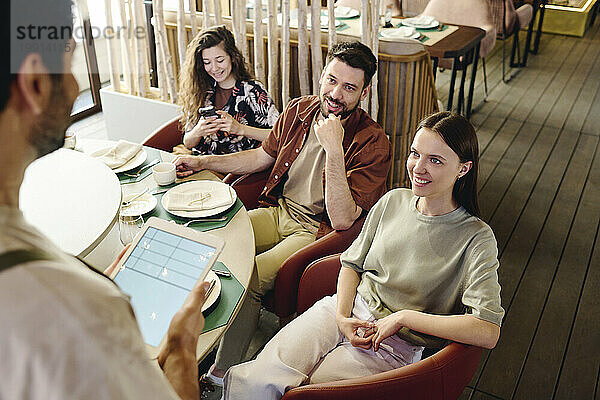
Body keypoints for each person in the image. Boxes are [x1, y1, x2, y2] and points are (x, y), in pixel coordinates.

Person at [0, 2, 210, 399]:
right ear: (35, 83)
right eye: (71, 62)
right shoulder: (77, 308)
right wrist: (182, 349)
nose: (77, 86)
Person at [222, 111, 505, 400]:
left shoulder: (476, 238)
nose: (418, 168)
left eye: (435, 160)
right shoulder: (393, 200)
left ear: (463, 169)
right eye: (415, 154)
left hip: (394, 348)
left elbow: (487, 330)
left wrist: (404, 318)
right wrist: (343, 316)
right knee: (257, 379)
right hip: (343, 311)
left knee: (304, 394)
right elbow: (351, 265)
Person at [175, 41, 392, 385]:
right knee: (213, 239)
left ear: (364, 93)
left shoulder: (373, 142)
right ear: (322, 75)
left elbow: (342, 219)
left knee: (250, 277)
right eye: (331, 80)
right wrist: (203, 161)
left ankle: (219, 373)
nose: (336, 93)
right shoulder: (299, 110)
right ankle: (188, 345)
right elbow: (260, 157)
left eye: (349, 87)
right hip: (277, 210)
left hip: (313, 231)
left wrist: (334, 148)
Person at [178, 25, 279, 155]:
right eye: (207, 62)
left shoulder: (252, 91)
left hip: (234, 169)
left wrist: (241, 129)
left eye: (220, 60)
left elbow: (279, 135)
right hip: (200, 164)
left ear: (232, 57)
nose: (214, 68)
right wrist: (198, 131)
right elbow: (188, 142)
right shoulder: (202, 90)